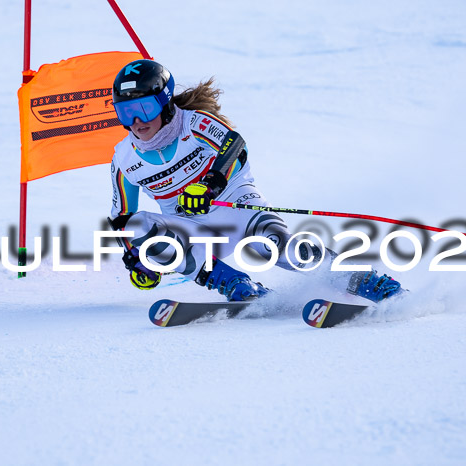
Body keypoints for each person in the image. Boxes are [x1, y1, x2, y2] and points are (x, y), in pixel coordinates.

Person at [108, 59, 403, 302]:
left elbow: (235, 145)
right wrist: (135, 256)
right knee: (136, 226)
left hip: (236, 204)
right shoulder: (124, 158)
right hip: (191, 226)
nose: (136, 122)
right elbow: (122, 216)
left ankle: (364, 280)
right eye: (126, 112)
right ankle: (236, 285)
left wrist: (210, 184)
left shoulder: (193, 122)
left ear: (164, 102)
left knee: (274, 247)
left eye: (144, 109)